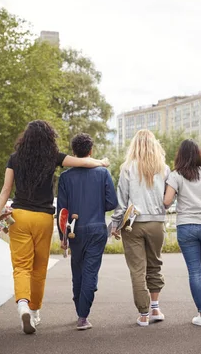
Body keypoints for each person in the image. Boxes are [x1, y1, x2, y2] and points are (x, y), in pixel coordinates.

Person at [0, 120, 109, 334]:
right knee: (38, 268)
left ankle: (22, 305)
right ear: (49, 138)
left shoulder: (15, 158)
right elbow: (82, 163)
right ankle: (35, 311)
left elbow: (5, 190)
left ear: (25, 138)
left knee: (21, 266)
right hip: (43, 218)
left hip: (19, 217)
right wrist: (101, 162)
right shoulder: (53, 156)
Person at [56, 133, 118, 330]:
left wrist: (62, 237)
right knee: (91, 272)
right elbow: (112, 203)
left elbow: (62, 211)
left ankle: (80, 309)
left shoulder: (65, 177)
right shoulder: (102, 173)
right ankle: (83, 315)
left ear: (73, 152)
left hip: (74, 231)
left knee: (78, 271)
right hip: (97, 228)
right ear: (91, 151)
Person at [110, 129, 169, 326]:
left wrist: (115, 224)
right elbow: (169, 199)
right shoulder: (164, 168)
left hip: (132, 224)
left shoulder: (127, 168)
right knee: (155, 264)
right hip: (156, 223)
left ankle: (143, 314)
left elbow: (121, 200)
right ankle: (155, 308)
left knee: (137, 269)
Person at [163, 139, 201, 327]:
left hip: (186, 227)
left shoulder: (176, 175)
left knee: (195, 271)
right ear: (199, 153)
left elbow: (166, 202)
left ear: (180, 155)